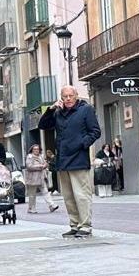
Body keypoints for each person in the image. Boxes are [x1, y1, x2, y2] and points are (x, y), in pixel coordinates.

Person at [44, 86, 101, 239]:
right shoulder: (58, 112)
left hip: (79, 159)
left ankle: (85, 226)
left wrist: (82, 144)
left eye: (71, 96)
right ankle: (74, 225)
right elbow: (43, 125)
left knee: (81, 195)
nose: (68, 99)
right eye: (65, 96)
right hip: (63, 160)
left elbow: (95, 131)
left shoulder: (86, 109)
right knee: (68, 196)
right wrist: (51, 109)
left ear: (76, 96)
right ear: (61, 98)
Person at [23, 144, 52, 213]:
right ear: (32, 150)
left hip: (41, 177)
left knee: (45, 192)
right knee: (32, 195)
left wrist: (45, 165)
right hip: (32, 179)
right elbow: (29, 166)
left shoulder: (41, 156)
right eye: (35, 149)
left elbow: (45, 163)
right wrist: (40, 166)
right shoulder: (29, 157)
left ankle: (52, 205)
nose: (36, 150)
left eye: (37, 149)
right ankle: (31, 208)